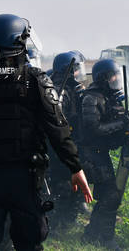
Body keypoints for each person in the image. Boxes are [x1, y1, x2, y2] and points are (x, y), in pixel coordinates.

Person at [0, 14, 92, 251]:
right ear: (18, 41)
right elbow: (58, 129)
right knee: (28, 243)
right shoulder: (35, 79)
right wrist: (75, 166)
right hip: (24, 178)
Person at [81, 58, 128, 249]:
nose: (116, 79)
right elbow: (94, 129)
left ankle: (91, 235)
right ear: (104, 78)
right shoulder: (91, 98)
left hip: (99, 152)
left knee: (108, 194)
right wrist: (121, 124)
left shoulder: (105, 96)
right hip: (89, 153)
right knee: (111, 195)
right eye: (113, 75)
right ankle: (106, 239)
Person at [48, 50, 88, 233]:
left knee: (73, 185)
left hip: (70, 144)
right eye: (77, 69)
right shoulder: (59, 91)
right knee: (62, 186)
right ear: (68, 70)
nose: (80, 74)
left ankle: (68, 221)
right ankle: (55, 225)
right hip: (59, 147)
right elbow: (60, 122)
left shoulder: (71, 89)